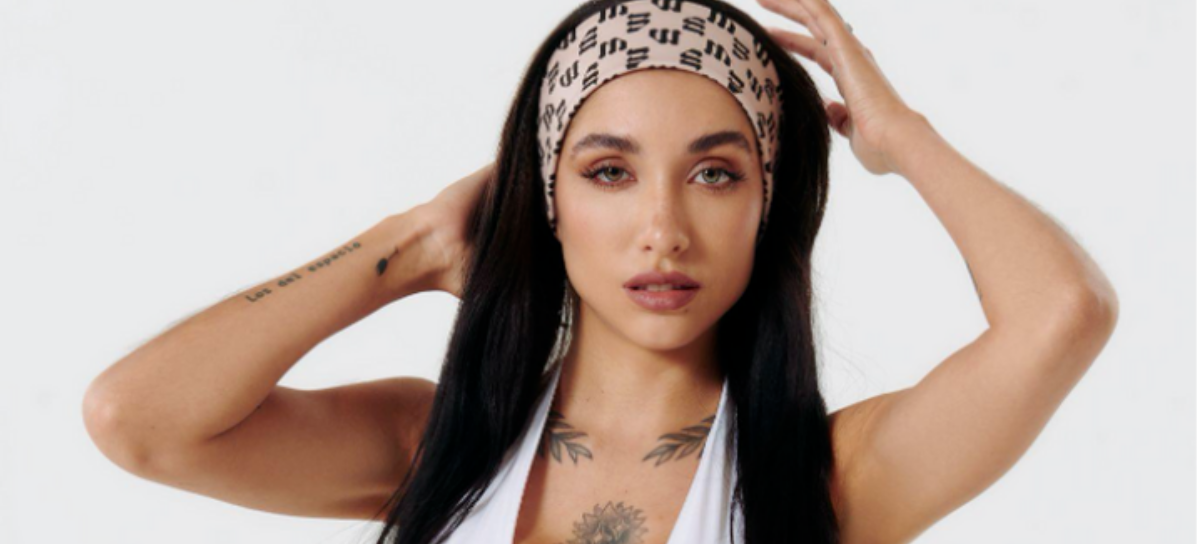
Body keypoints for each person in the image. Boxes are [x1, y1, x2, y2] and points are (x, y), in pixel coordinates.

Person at [82, 0, 1120, 543]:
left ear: (766, 206)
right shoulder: (433, 446)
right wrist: (409, 246)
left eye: (715, 173)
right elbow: (139, 418)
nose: (662, 229)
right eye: (610, 171)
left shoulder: (829, 480)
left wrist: (900, 137)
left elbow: (1062, 314)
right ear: (550, 201)